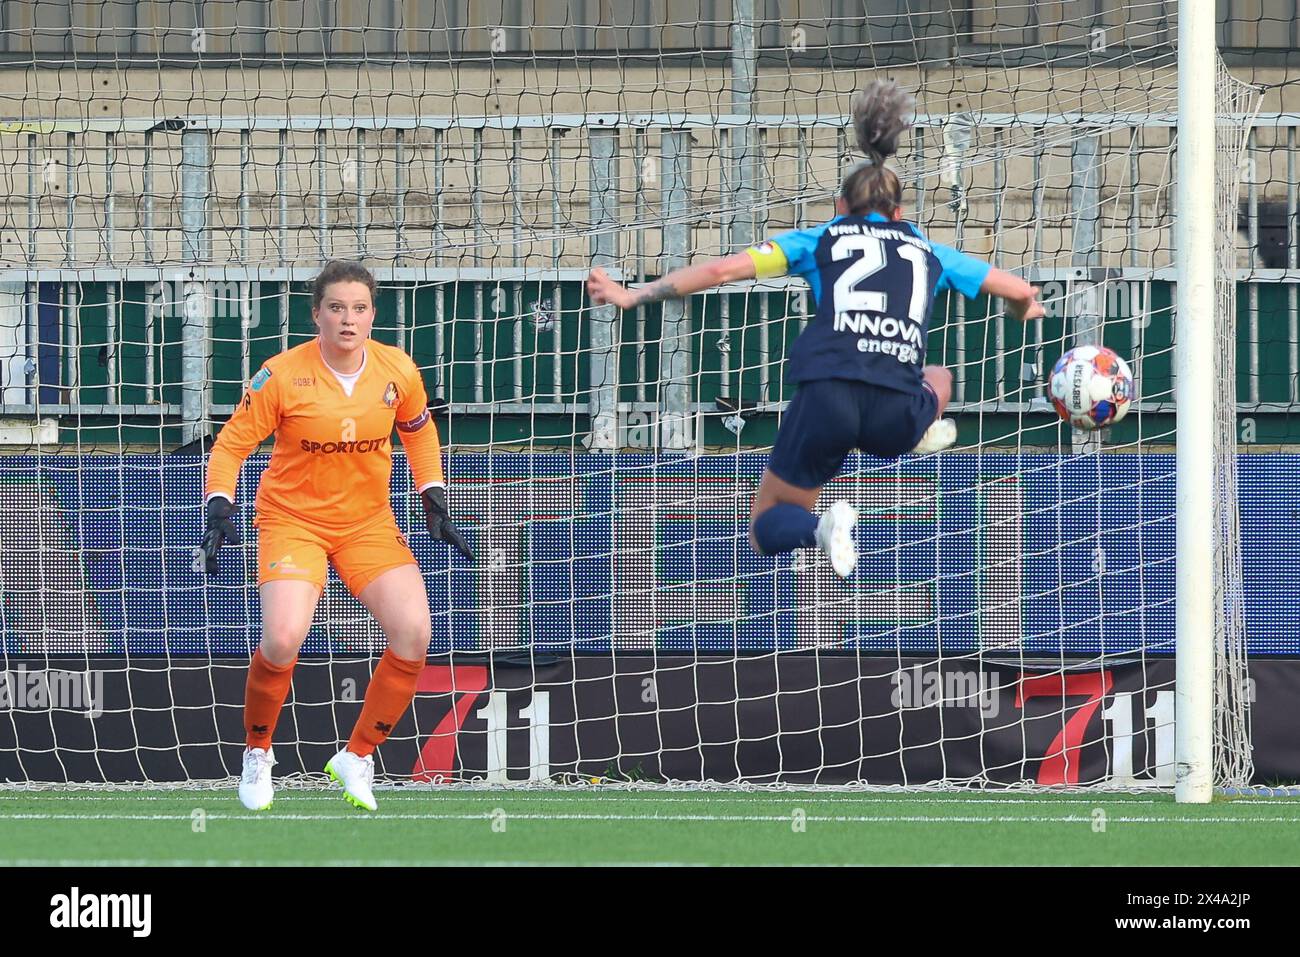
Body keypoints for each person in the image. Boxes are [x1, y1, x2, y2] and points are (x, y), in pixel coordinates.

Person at [587, 79, 1044, 579]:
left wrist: (633, 295)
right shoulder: (929, 249)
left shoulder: (822, 238)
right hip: (894, 410)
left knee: (767, 524)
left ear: (841, 207)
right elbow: (1020, 291)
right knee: (939, 377)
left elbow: (719, 271)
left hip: (829, 394)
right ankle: (924, 427)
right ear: (901, 215)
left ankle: (820, 528)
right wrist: (1022, 312)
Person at [200, 260, 473, 812]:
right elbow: (231, 445)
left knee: (414, 632)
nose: (349, 319)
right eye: (336, 308)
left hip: (367, 523)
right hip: (292, 521)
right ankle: (258, 755)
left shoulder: (399, 371)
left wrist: (433, 492)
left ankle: (358, 756)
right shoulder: (279, 375)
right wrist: (218, 504)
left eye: (360, 308)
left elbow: (419, 434)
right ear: (316, 315)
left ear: (373, 314)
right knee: (282, 638)